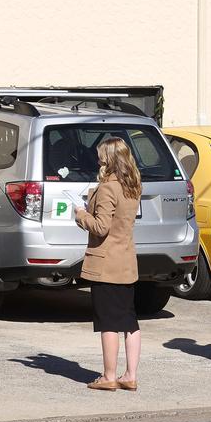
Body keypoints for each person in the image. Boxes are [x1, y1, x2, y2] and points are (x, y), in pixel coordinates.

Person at [74, 137, 143, 391]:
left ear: (109, 159)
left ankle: (109, 376)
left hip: (106, 264)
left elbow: (101, 227)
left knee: (108, 322)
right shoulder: (133, 185)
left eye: (101, 155)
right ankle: (130, 375)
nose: (98, 159)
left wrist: (81, 215)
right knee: (129, 321)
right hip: (126, 259)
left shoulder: (108, 188)